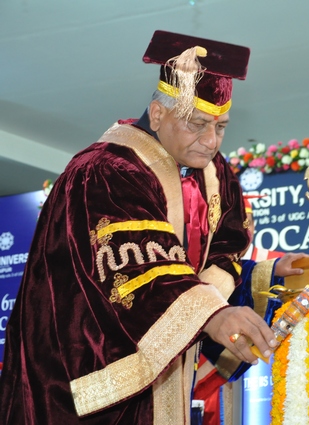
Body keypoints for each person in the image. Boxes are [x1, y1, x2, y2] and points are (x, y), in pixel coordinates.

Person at [0, 30, 279, 424]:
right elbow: (138, 270)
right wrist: (210, 315)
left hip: (165, 382)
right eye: (197, 123)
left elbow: (211, 262)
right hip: (85, 380)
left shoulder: (214, 175)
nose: (210, 141)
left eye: (220, 127)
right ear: (158, 113)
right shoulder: (104, 171)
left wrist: (268, 274)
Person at [193, 195, 308, 425]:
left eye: (249, 222)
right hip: (198, 375)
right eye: (237, 222)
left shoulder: (269, 262)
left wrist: (272, 270)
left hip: (253, 386)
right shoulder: (197, 258)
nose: (244, 230)